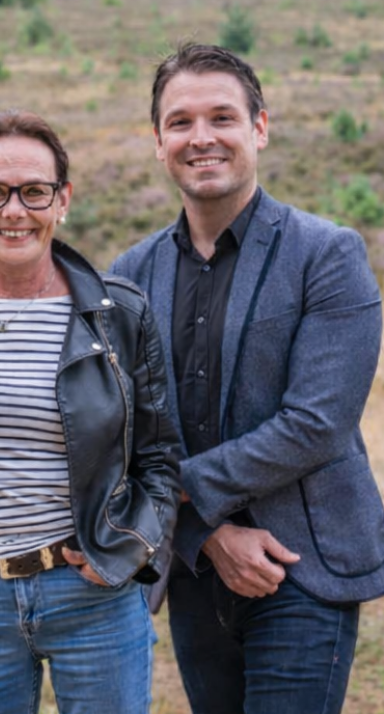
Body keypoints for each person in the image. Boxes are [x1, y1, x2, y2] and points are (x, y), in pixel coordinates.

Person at [110, 42, 384, 714]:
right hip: (193, 566)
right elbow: (125, 431)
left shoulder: (328, 255)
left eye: (222, 117)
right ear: (158, 141)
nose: (201, 137)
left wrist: (177, 488)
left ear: (259, 128)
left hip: (303, 565)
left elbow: (317, 424)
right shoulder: (129, 276)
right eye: (180, 122)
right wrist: (206, 533)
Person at [0, 109, 180, 714]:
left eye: (34, 191)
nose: (14, 211)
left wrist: (131, 547)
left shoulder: (120, 315)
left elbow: (158, 456)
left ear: (62, 199)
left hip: (93, 595)